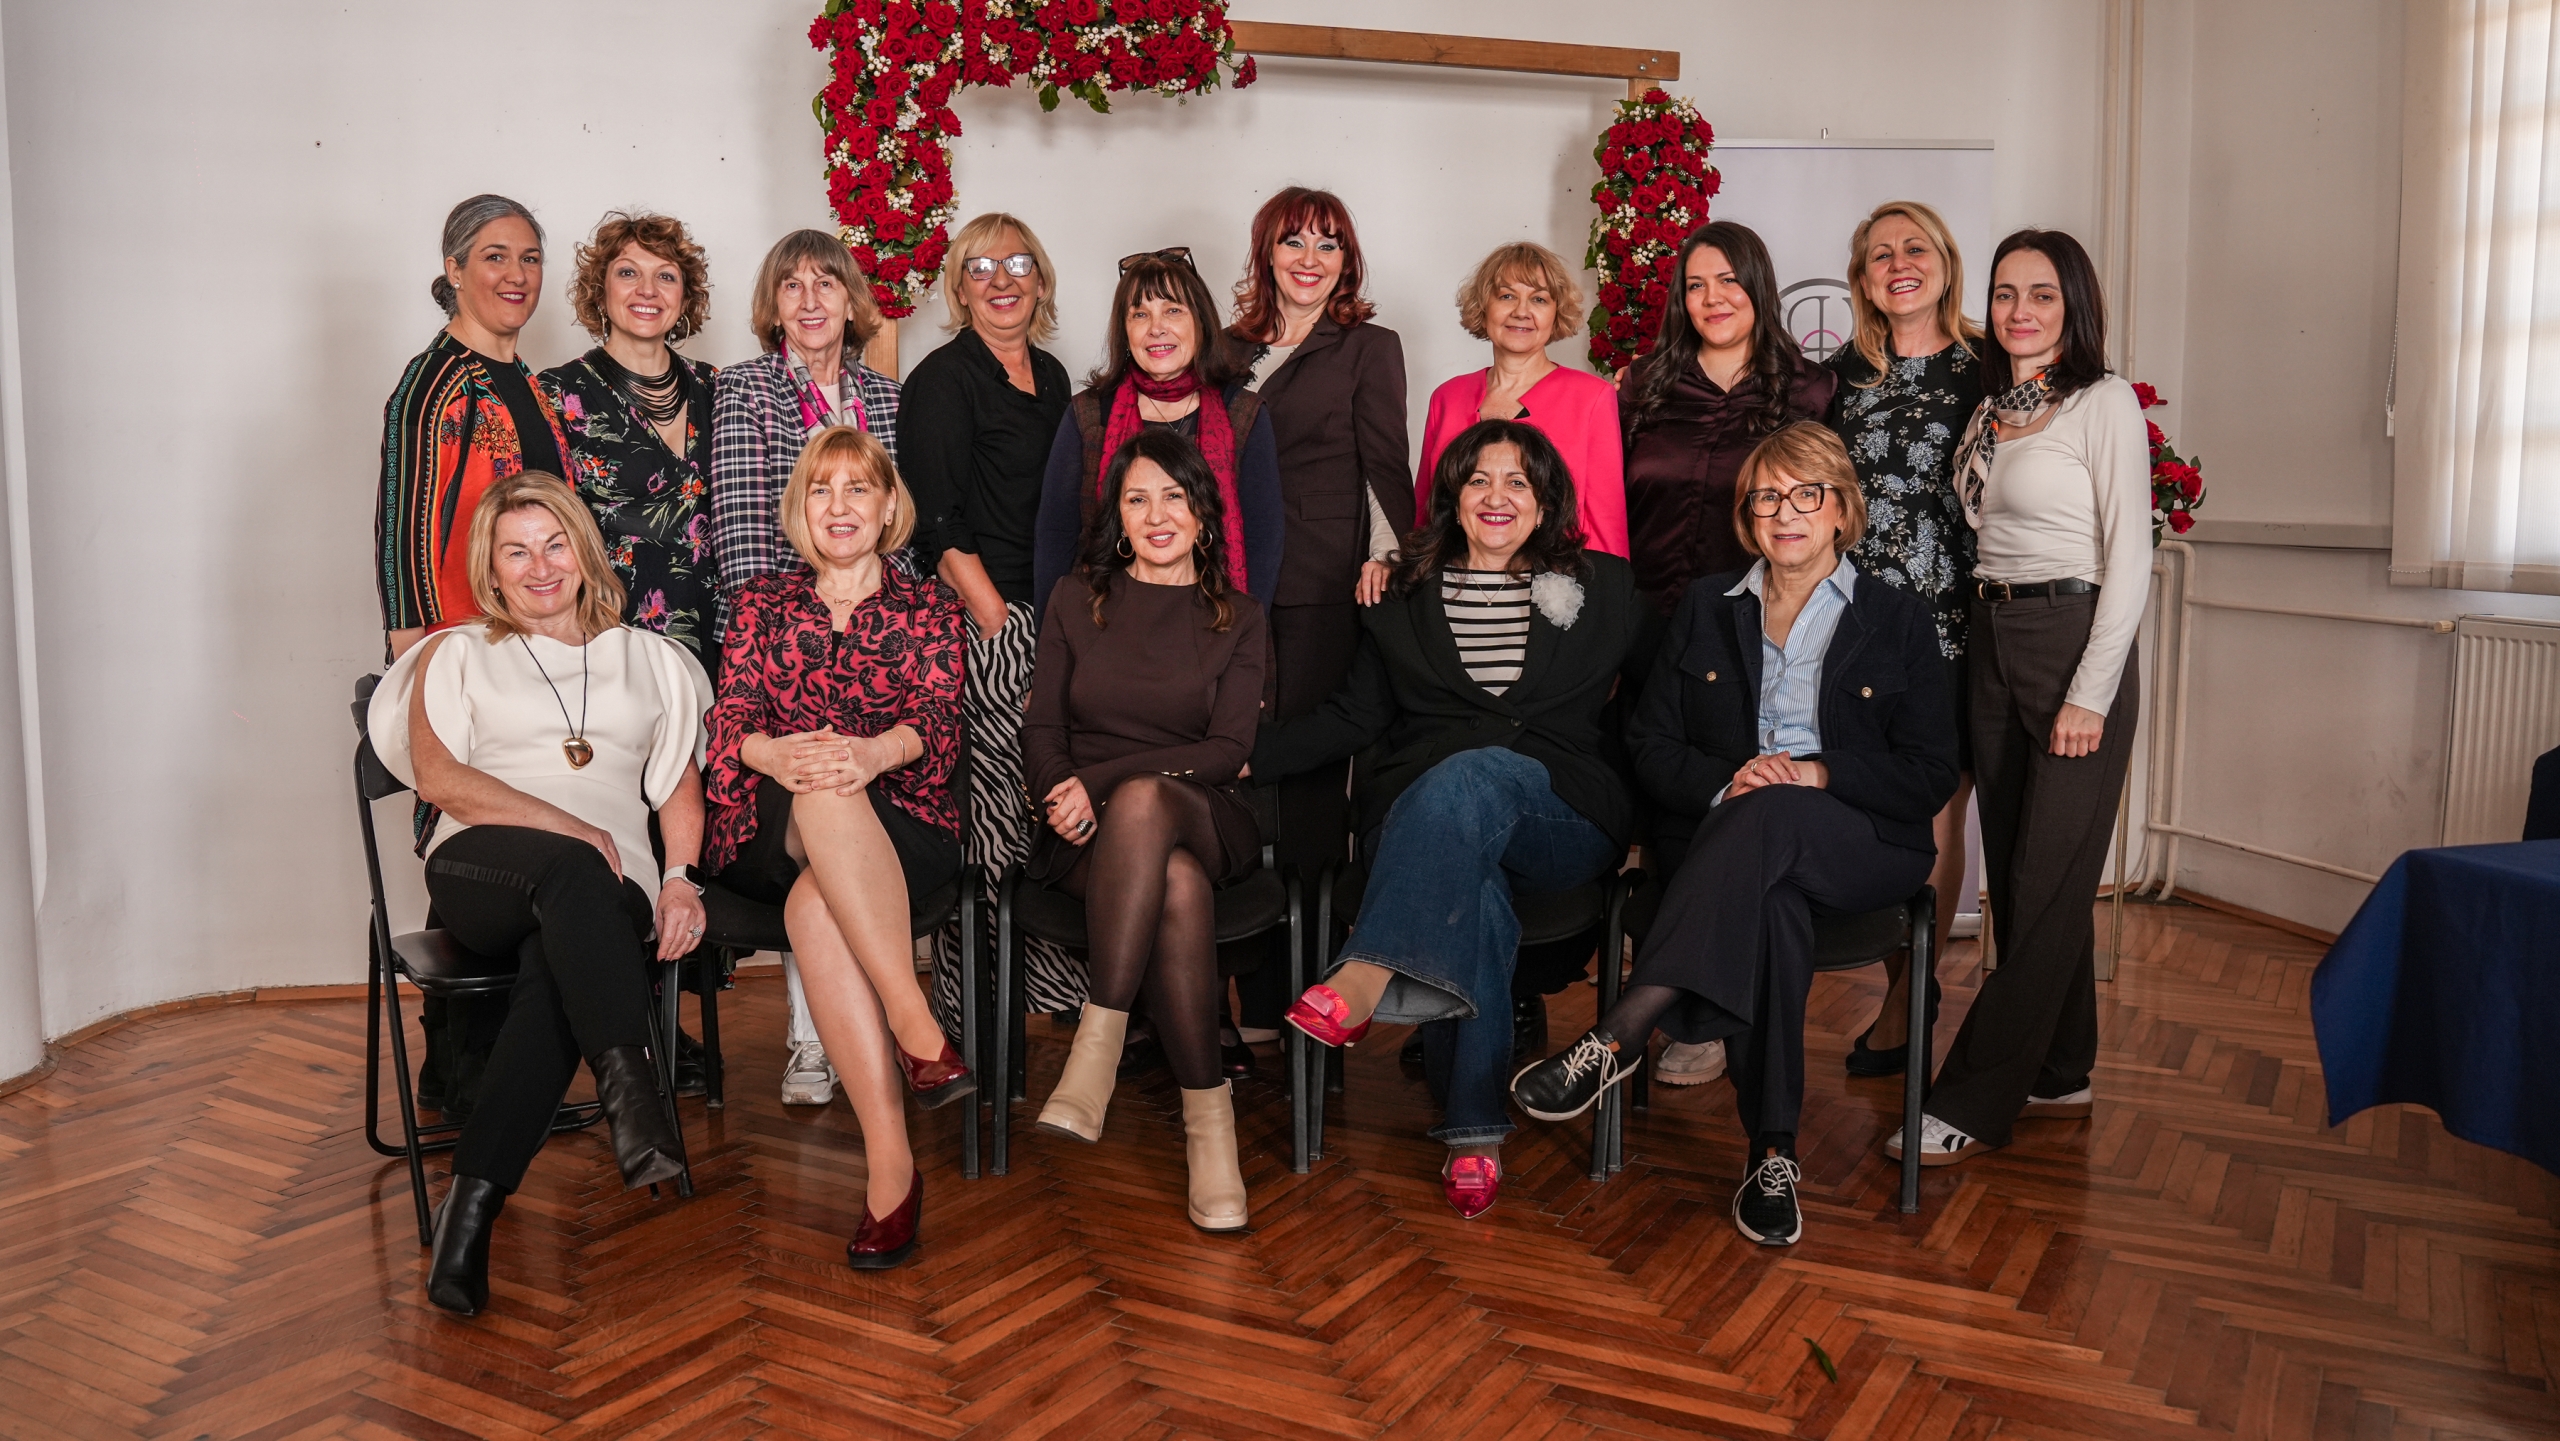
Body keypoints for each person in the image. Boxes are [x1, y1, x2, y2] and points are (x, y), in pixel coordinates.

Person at [1509, 423, 1957, 1247]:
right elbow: (1649, 744)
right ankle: (1772, 1153)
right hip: (1735, 850)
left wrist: (1815, 774)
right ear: (1748, 516)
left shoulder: (1895, 618)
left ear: (1841, 509)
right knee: (1772, 902)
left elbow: (1929, 772)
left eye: (1806, 495)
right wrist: (1730, 782)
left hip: (1863, 845)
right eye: (1766, 497)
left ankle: (1623, 1028)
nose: (1785, 513)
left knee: (1779, 808)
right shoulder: (1706, 609)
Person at [1255, 420, 1638, 1221]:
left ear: (1546, 503)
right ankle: (1474, 1133)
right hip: (1429, 826)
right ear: (1452, 497)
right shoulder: (1400, 596)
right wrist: (1242, 754)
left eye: (1518, 482)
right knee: (1476, 888)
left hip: (1559, 815)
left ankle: (1365, 971)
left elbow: (1666, 699)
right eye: (1478, 480)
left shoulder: (1605, 588)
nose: (1497, 497)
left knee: (1470, 771)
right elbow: (1352, 716)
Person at [366, 472, 710, 1317]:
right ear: (490, 567)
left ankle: (468, 1217)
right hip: (482, 868)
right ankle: (635, 1092)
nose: (541, 566)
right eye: (516, 551)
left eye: (555, 544)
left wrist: (678, 879)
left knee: (558, 971)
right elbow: (441, 779)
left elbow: (678, 787)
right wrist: (569, 826)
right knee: (573, 872)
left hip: (611, 889)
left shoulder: (651, 659)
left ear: (584, 551)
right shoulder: (457, 653)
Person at [1902, 229, 2148, 1166]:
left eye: (2041, 294)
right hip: (1993, 635)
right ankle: (2062, 1066)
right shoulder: (1991, 412)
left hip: (2073, 636)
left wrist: (2092, 693)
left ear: (2074, 304)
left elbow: (2131, 558)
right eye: (2005, 293)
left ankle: (1971, 1097)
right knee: (2017, 875)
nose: (2019, 311)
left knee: (2048, 879)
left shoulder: (2102, 402)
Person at [701, 426, 970, 1268]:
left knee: (816, 907)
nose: (839, 505)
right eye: (821, 489)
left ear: (888, 506)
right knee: (819, 786)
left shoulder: (929, 607)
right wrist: (780, 755)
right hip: (769, 821)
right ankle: (915, 1021)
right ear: (800, 509)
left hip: (905, 819)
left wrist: (873, 753)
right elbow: (730, 722)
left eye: (858, 488)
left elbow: (937, 723)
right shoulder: (760, 602)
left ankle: (891, 1168)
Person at [1025, 428, 1270, 1232]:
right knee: (1176, 884)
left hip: (1202, 811)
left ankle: (1096, 1046)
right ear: (1118, 517)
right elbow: (1042, 728)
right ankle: (1212, 1134)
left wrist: (1097, 783)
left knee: (1143, 801)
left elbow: (1228, 749)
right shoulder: (1075, 599)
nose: (1157, 514)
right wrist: (1059, 792)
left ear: (1203, 511)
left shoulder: (1239, 617)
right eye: (1138, 499)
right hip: (1087, 839)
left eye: (1174, 496)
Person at [376, 193, 573, 1119]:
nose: (516, 275)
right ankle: (459, 1062)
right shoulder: (434, 383)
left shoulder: (522, 380)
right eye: (495, 256)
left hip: (529, 645)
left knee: (528, 827)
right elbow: (405, 526)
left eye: (529, 258)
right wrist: (420, 660)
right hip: (459, 649)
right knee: (474, 828)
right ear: (453, 269)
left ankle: (494, 1052)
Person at [710, 228, 903, 1108]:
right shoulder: (745, 389)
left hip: (880, 647)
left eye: (828, 282)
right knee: (815, 787)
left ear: (852, 300)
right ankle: (814, 1035)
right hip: (782, 646)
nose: (812, 300)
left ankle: (850, 1028)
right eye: (793, 285)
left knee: (855, 809)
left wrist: (882, 632)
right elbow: (747, 536)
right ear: (774, 305)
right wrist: (803, 644)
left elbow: (901, 529)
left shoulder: (886, 397)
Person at [1219, 187, 1412, 1056]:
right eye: (1293, 241)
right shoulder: (1225, 348)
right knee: (1232, 779)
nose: (1309, 258)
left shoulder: (1368, 346)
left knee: (1303, 793)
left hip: (1322, 587)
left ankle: (1306, 1002)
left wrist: (1388, 554)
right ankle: (1247, 992)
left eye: (1328, 245)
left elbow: (1385, 460)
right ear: (1266, 253)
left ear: (1347, 263)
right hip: (1225, 592)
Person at [896, 213, 1078, 1031]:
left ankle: (1054, 994)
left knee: (1050, 801)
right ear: (959, 288)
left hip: (1056, 619)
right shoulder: (943, 379)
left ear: (1041, 280)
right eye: (980, 267)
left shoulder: (1053, 375)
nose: (1001, 280)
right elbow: (935, 521)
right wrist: (997, 622)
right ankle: (975, 1012)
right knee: (997, 810)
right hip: (987, 621)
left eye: (1018, 264)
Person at [1822, 201, 1988, 1079]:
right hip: (1858, 623)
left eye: (1914, 247)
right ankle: (1903, 982)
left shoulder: (1988, 367)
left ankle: (1912, 994)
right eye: (1879, 253)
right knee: (1872, 803)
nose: (1898, 264)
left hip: (1957, 623)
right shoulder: (1840, 376)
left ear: (1946, 261)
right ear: (1862, 277)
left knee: (1936, 805)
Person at [1034, 249, 1283, 615]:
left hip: (1216, 623)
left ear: (1200, 322)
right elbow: (1055, 537)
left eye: (1173, 310)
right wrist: (1051, 634)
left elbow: (1264, 541)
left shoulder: (1244, 415)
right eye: (1140, 314)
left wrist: (1246, 634)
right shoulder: (1088, 415)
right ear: (1124, 331)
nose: (1156, 327)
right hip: (1103, 621)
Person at [1622, 221, 1837, 629]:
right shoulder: (1643, 383)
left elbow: (1827, 520)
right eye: (1696, 285)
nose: (1712, 298)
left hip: (1757, 624)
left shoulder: (1812, 390)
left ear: (1758, 286)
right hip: (1641, 620)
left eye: (1728, 280)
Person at [539, 211, 722, 678]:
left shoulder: (717, 387)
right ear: (600, 292)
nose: (647, 290)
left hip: (723, 630)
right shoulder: (557, 394)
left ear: (685, 298)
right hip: (612, 634)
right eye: (628, 273)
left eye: (665, 276)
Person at [1411, 243, 1627, 565]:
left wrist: (1607, 590)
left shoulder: (1592, 397)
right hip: (1457, 576)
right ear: (1484, 306)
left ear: (1556, 313)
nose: (1521, 311)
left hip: (1556, 580)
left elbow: (1606, 523)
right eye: (1506, 296)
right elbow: (1425, 516)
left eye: (1539, 299)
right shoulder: (1447, 397)